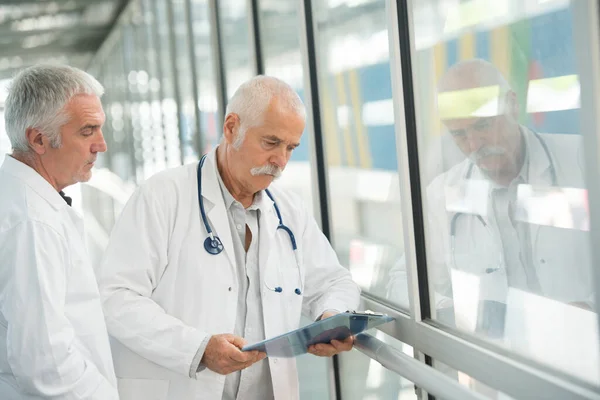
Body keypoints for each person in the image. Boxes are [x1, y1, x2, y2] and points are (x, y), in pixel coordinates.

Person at [98, 75, 361, 400]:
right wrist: (199, 348)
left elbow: (335, 283)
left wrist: (331, 317)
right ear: (231, 127)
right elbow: (115, 296)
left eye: (291, 147)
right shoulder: (162, 196)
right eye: (271, 142)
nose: (281, 161)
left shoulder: (289, 211)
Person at [388, 59, 594, 336]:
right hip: (495, 364)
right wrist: (450, 312)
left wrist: (590, 308)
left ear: (512, 105)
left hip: (583, 350)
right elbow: (401, 283)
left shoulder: (585, 163)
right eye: (459, 135)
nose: (474, 145)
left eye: (483, 126)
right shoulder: (442, 195)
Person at [0, 65, 118, 398]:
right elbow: (46, 363)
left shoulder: (24, 202)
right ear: (38, 139)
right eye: (88, 131)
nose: (101, 145)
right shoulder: (30, 222)